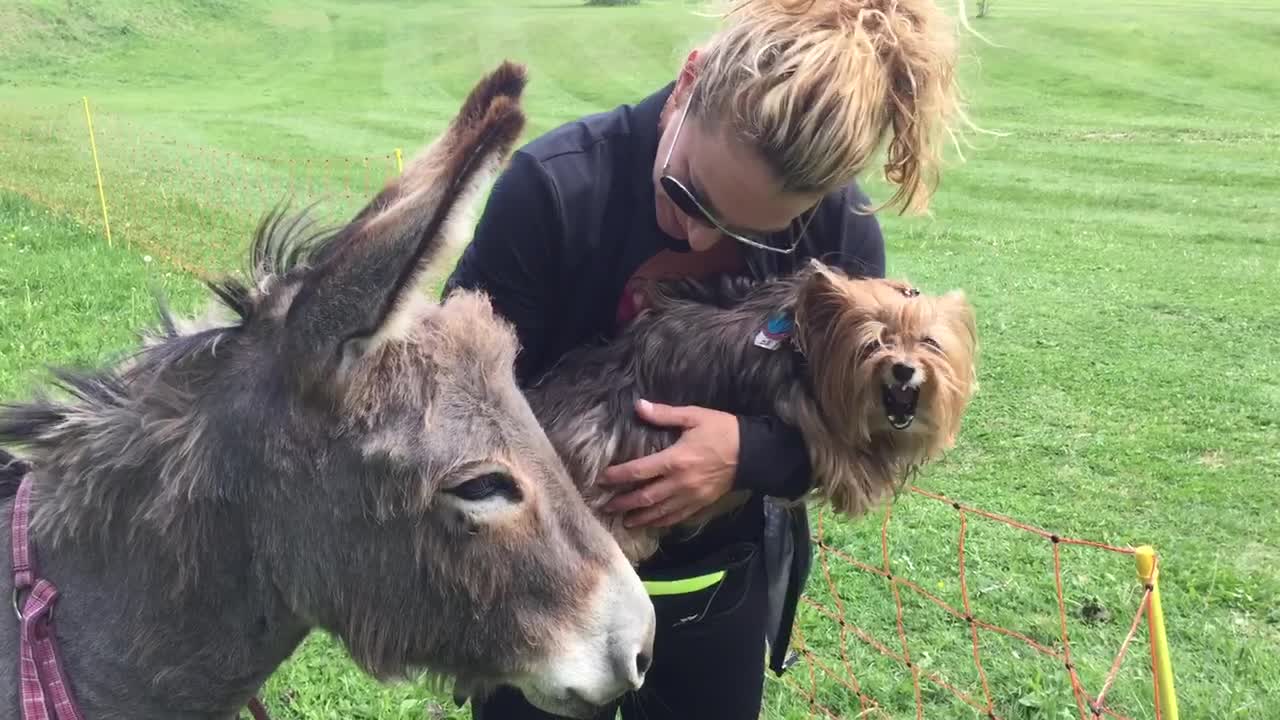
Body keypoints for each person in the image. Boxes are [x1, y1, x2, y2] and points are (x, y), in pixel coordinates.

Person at [442, 0, 967, 717]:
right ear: (689, 83)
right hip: (544, 598)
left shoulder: (840, 234)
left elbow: (860, 433)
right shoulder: (555, 190)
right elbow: (454, 406)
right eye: (687, 192)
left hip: (717, 596)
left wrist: (743, 454)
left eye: (753, 232)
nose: (695, 240)